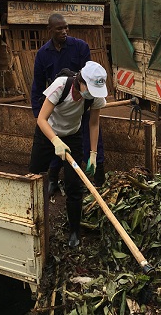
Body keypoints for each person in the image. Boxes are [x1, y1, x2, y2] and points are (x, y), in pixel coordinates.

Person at [29, 60, 108, 247]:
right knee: (33, 176)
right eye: (88, 89)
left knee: (74, 186)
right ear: (80, 81)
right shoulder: (61, 86)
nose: (90, 94)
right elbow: (41, 118)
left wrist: (93, 154)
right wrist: (55, 140)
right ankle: (32, 222)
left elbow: (94, 123)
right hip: (48, 133)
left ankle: (74, 231)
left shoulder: (94, 97)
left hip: (72, 136)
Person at [30, 13, 106, 195]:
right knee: (56, 141)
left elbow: (89, 75)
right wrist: (39, 116)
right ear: (50, 30)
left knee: (89, 135)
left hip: (83, 98)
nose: (64, 31)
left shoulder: (80, 47)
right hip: (58, 103)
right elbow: (38, 85)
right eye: (59, 29)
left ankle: (96, 175)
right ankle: (54, 178)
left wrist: (94, 154)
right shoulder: (43, 54)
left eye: (66, 27)